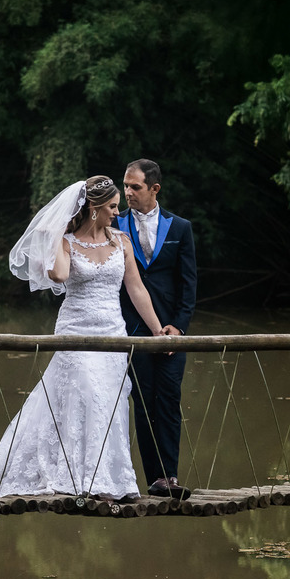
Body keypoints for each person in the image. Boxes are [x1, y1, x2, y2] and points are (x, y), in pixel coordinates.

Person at [0, 175, 165, 501]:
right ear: (94, 209)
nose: (117, 211)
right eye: (112, 206)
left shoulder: (121, 241)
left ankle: (113, 482)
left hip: (113, 332)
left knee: (111, 403)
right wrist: (55, 236)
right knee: (87, 391)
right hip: (76, 331)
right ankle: (78, 478)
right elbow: (59, 275)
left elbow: (136, 288)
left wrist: (157, 330)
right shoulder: (68, 242)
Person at [117, 159, 198, 500]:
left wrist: (178, 327)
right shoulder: (115, 225)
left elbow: (188, 283)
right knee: (143, 402)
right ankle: (156, 478)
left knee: (169, 399)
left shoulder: (180, 228)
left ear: (154, 188)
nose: (127, 193)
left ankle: (171, 476)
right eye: (125, 186)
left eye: (135, 187)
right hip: (132, 330)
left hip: (171, 331)